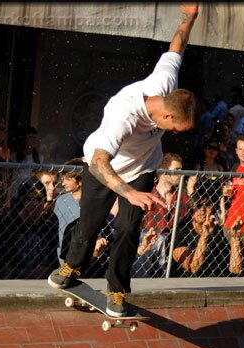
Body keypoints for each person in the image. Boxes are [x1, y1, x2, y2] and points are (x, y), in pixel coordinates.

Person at [48, 3, 200, 317]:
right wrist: (127, 192)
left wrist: (190, 17)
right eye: (174, 127)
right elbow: (100, 162)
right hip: (103, 169)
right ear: (167, 115)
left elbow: (177, 46)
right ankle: (72, 268)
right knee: (88, 225)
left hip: (141, 170)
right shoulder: (124, 114)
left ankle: (116, 290)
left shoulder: (165, 84)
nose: (173, 133)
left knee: (129, 229)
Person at [8, 177, 60, 279]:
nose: (36, 204)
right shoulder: (12, 225)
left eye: (39, 199)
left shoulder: (49, 224)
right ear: (22, 201)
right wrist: (28, 273)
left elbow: (53, 260)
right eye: (30, 199)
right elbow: (6, 266)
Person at [171, 196, 230, 277]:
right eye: (198, 205)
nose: (202, 209)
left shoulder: (217, 231)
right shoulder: (181, 231)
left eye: (207, 205)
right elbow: (193, 269)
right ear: (191, 209)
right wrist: (204, 236)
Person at [53, 160, 83, 258]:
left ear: (80, 181)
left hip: (77, 255)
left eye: (68, 179)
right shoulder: (61, 200)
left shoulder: (89, 204)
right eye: (63, 178)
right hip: (58, 254)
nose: (63, 183)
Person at [9, 125, 40, 197]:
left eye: (35, 136)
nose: (34, 138)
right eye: (30, 136)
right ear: (23, 139)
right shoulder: (13, 157)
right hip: (15, 193)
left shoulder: (39, 158)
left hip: (31, 195)